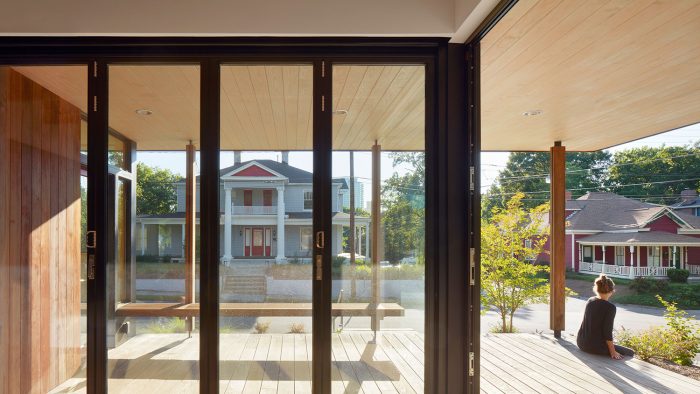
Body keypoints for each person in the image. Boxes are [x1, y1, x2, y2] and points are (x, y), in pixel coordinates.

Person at [577, 274, 635, 359]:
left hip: (581, 342)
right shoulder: (610, 307)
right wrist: (613, 352)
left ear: (596, 289)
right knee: (630, 352)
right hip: (594, 347)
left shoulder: (590, 300)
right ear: (612, 291)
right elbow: (607, 332)